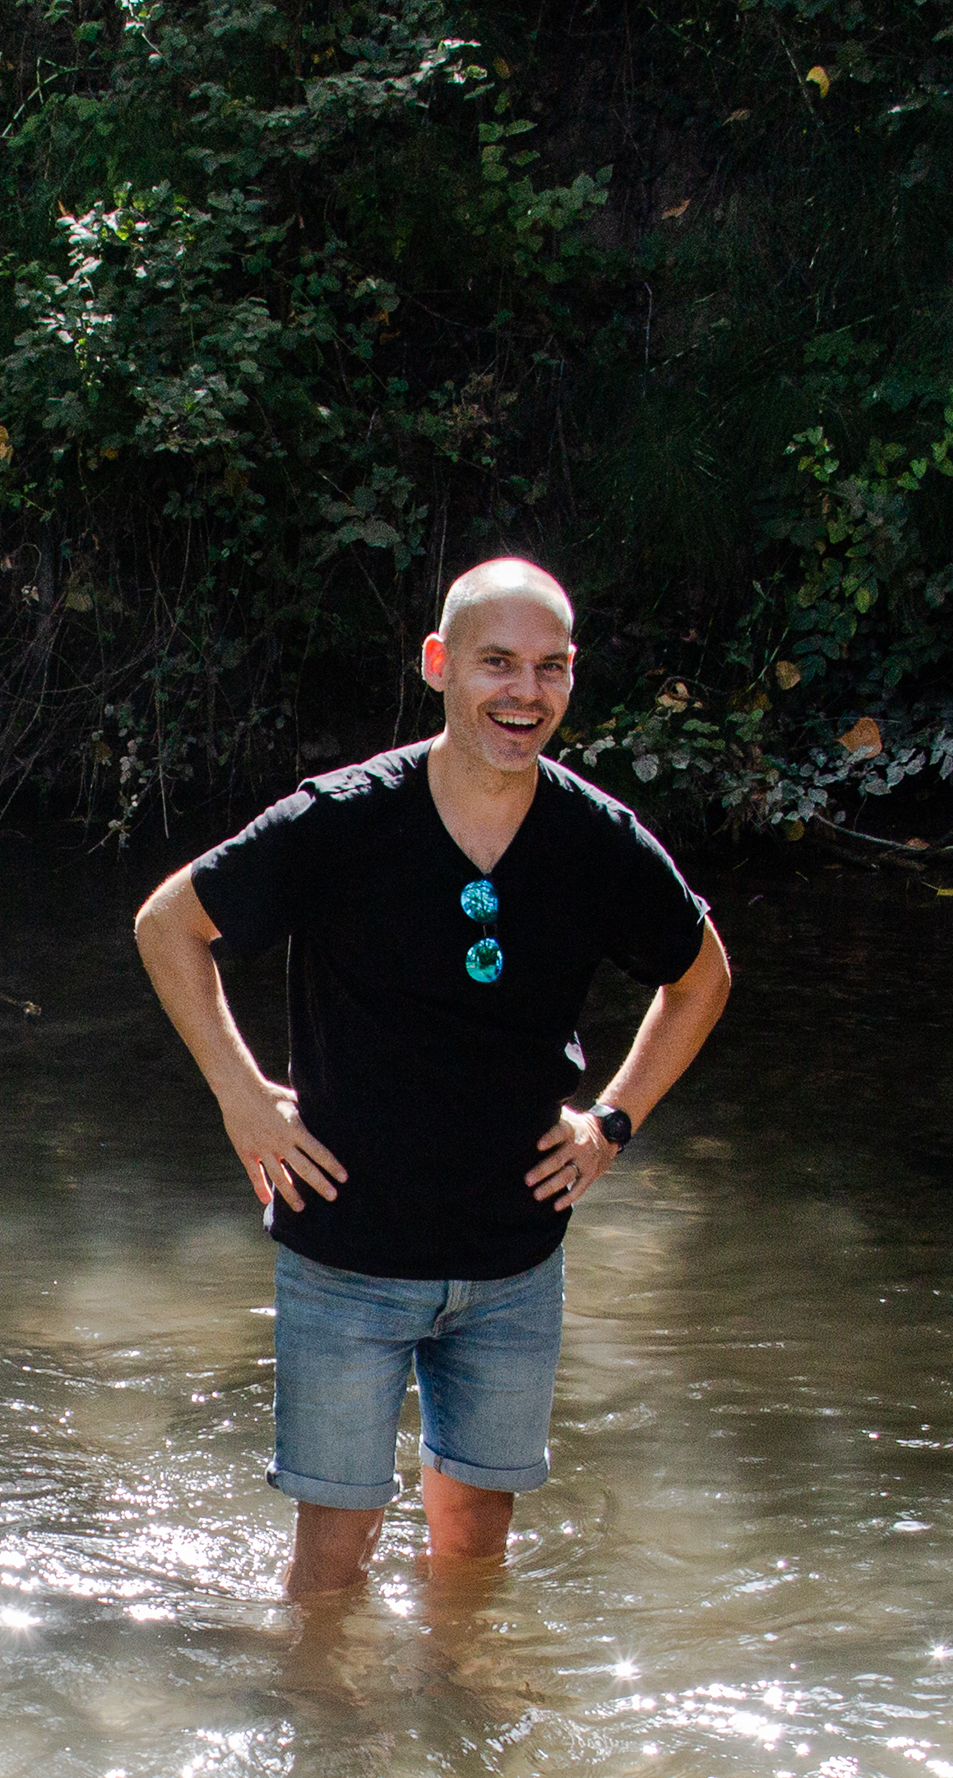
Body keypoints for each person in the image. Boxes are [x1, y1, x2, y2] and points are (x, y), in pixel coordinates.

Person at [132, 558, 733, 1598]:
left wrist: (611, 1124)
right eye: (497, 663)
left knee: (474, 1555)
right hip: (347, 1252)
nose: (524, 693)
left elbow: (703, 976)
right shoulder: (345, 819)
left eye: (549, 669)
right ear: (440, 665)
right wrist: (239, 1094)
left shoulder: (599, 843)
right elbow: (168, 924)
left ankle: (461, 1747)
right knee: (332, 1561)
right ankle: (329, 1747)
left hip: (511, 1262)